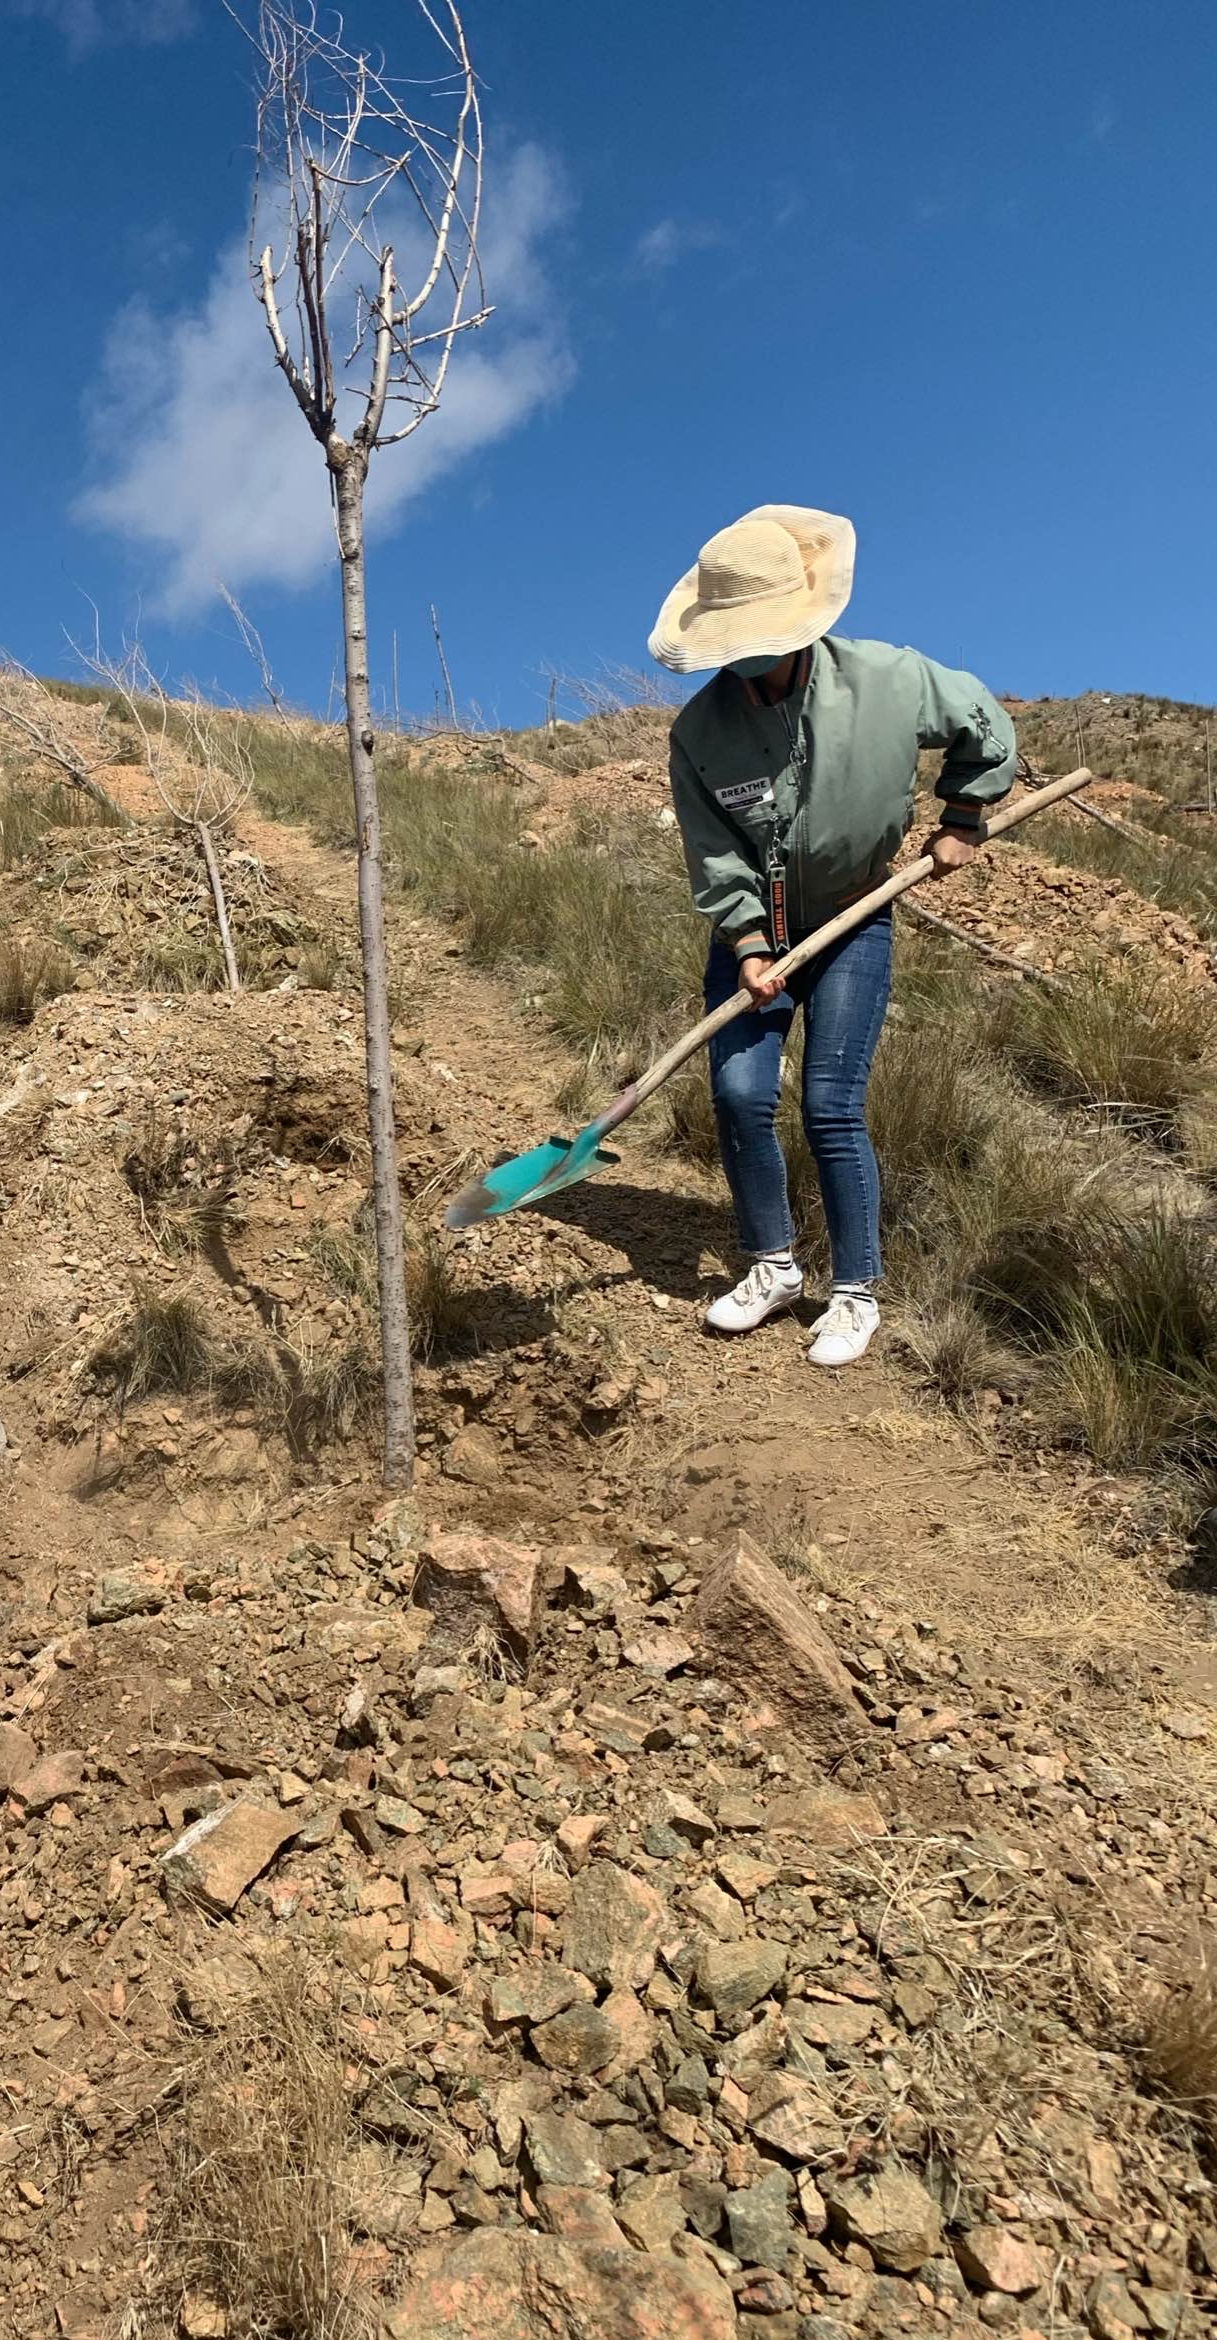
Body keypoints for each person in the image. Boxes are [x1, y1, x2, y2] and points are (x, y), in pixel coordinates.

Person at [648, 503, 1016, 1366]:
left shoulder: (888, 679)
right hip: (754, 939)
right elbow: (713, 851)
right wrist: (746, 944)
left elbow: (985, 728)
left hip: (854, 920)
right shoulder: (699, 732)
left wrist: (963, 815)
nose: (745, 660)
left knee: (830, 1105)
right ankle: (772, 1265)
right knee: (740, 1095)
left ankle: (853, 1293)